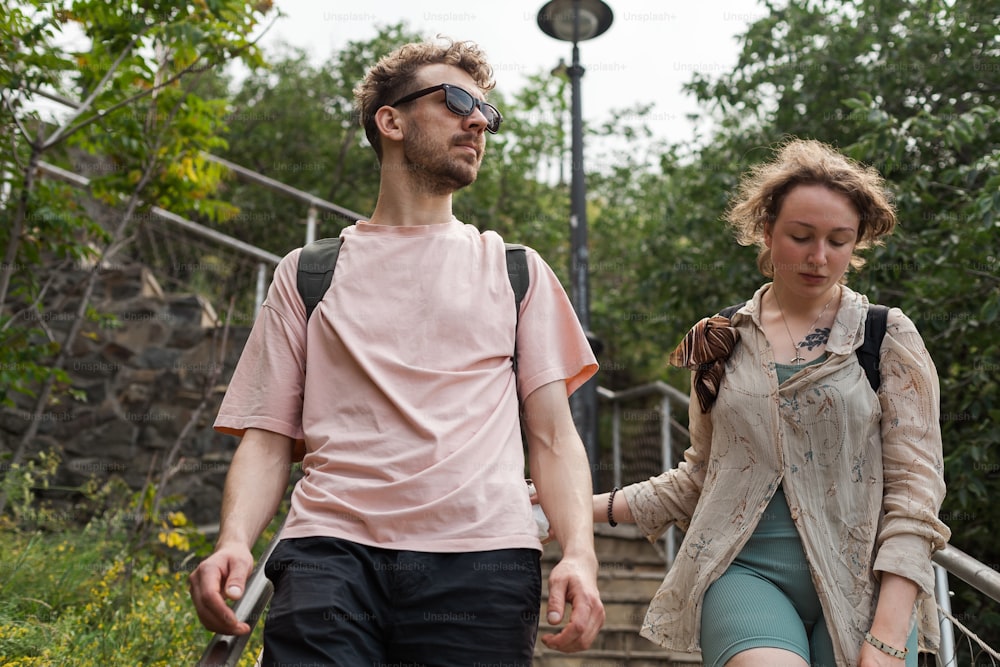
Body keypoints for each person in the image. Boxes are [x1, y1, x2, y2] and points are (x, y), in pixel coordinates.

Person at [189, 38, 604, 665]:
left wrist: (578, 552)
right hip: (330, 553)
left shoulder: (517, 271)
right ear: (391, 120)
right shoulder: (308, 272)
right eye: (458, 101)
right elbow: (269, 435)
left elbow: (552, 438)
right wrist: (234, 541)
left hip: (481, 560)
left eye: (487, 112)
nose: (477, 121)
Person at [594, 138, 950, 667]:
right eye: (800, 236)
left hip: (864, 586)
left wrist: (888, 637)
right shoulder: (719, 338)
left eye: (839, 240)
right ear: (766, 231)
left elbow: (916, 495)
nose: (819, 256)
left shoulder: (887, 336)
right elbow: (699, 479)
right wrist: (577, 507)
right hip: (744, 572)